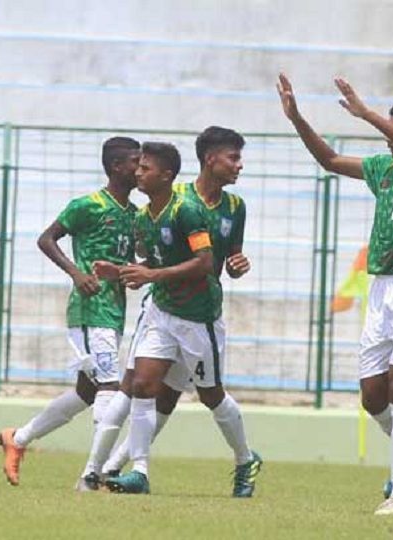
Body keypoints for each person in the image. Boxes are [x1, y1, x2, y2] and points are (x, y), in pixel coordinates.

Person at [278, 73, 393, 515]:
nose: (386, 137)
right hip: (382, 288)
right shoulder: (384, 170)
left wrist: (368, 114)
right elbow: (331, 160)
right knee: (372, 396)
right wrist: (297, 119)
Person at [90, 127, 255, 486]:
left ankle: (245, 459)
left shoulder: (234, 208)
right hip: (162, 308)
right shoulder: (171, 196)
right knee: (141, 385)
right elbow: (152, 252)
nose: (239, 166)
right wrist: (126, 271)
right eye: (234, 158)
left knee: (209, 396)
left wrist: (237, 265)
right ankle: (133, 472)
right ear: (210, 159)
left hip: (200, 316)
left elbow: (220, 262)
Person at [0, 137, 141, 490]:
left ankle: (17, 438)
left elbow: (127, 258)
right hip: (90, 309)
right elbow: (46, 239)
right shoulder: (87, 205)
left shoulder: (133, 214)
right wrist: (76, 273)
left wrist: (135, 272)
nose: (141, 169)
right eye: (136, 162)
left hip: (114, 310)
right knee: (110, 386)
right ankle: (96, 475)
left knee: (86, 393)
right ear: (117, 166)